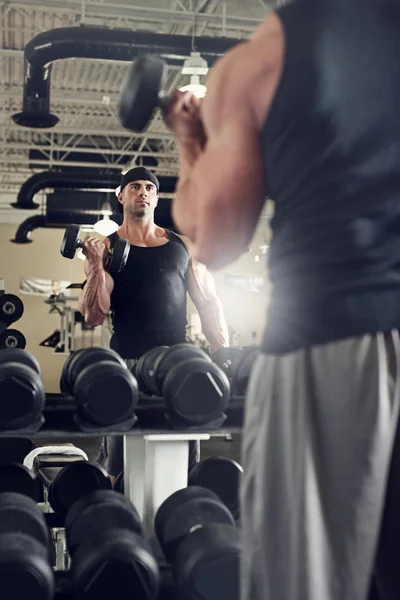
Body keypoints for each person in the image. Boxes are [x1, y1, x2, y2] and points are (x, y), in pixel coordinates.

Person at [162, 1, 400, 599]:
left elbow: (213, 238)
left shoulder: (261, 58)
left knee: (305, 583)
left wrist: (193, 143)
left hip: (330, 342)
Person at [77, 166, 229, 483]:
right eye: (134, 186)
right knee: (117, 467)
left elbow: (209, 303)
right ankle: (119, 521)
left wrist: (227, 357)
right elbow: (94, 315)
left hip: (177, 366)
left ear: (157, 198)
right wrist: (94, 269)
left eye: (149, 187)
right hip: (126, 365)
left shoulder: (183, 246)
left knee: (183, 460)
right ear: (121, 196)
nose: (142, 191)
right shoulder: (105, 248)